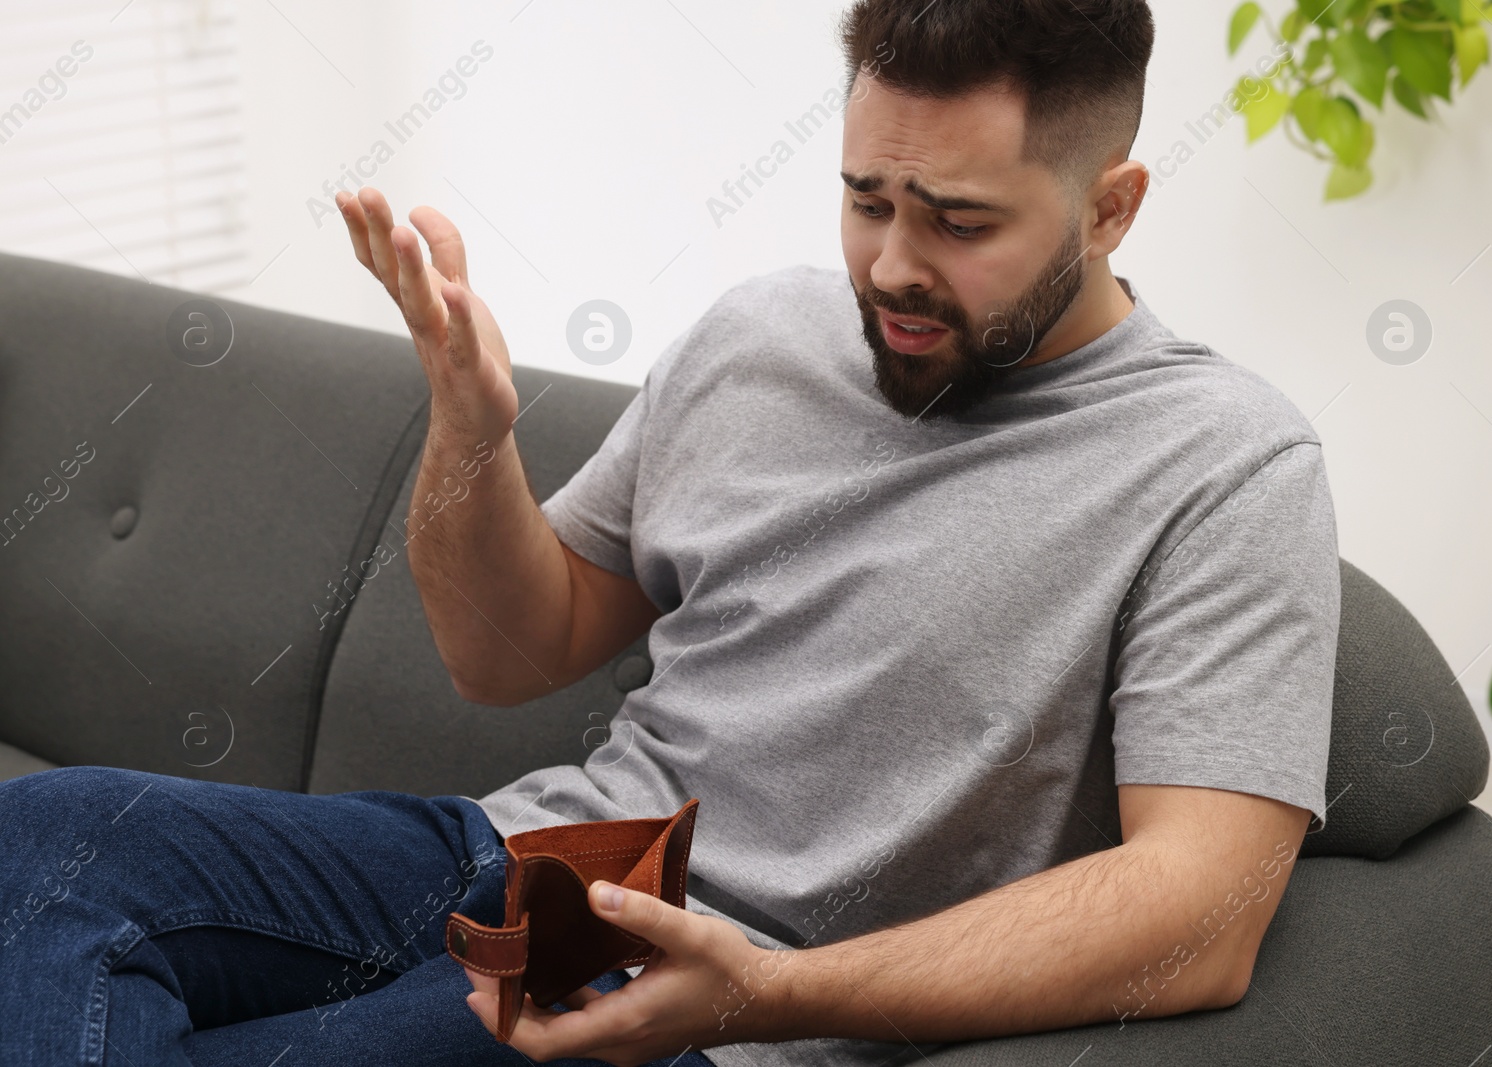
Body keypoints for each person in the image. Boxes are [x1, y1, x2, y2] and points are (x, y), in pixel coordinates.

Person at [1, 1, 1342, 1064]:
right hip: (526, 857)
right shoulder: (762, 334)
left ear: (1112, 204)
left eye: (960, 221)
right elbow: (514, 651)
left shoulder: (1225, 463)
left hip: (722, 983)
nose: (888, 265)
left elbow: (1203, 912)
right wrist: (470, 435)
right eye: (868, 197)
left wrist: (769, 994)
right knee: (44, 841)